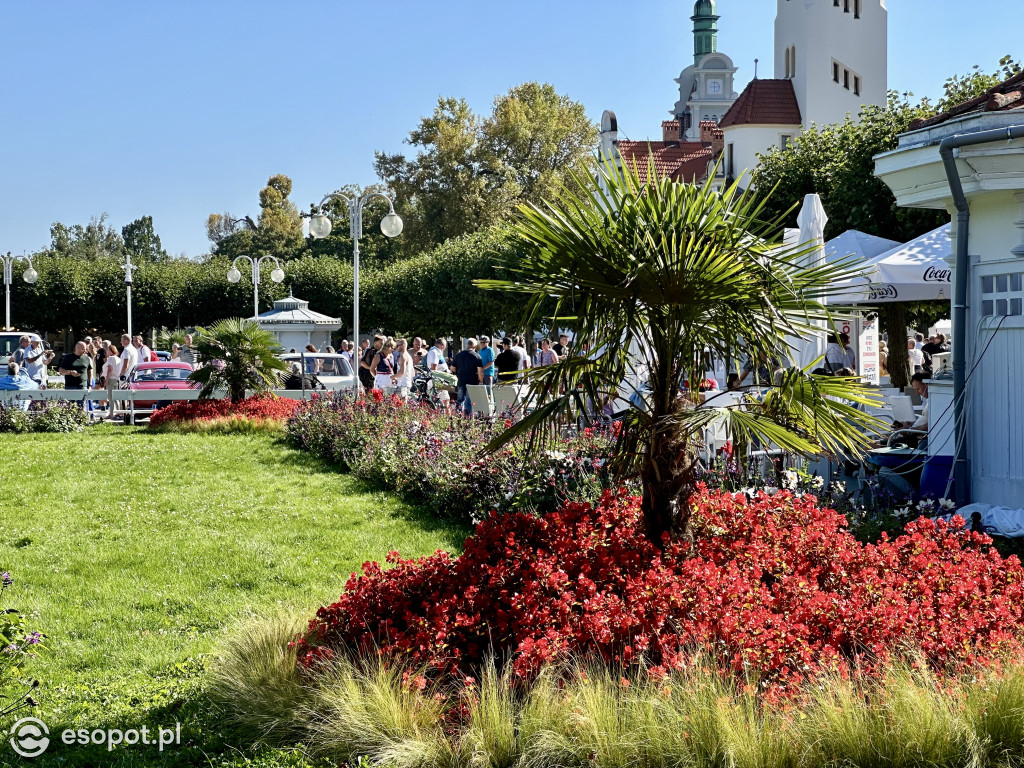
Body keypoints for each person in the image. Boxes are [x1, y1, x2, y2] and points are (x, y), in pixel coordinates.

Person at [453, 338, 484, 415]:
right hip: (472, 382)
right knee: (469, 402)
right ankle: (468, 418)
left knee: (460, 400)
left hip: (461, 381)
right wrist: (480, 380)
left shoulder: (458, 355)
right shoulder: (477, 356)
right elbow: (480, 371)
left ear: (467, 345)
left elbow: (452, 368)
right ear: (475, 346)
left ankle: (458, 416)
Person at [102, 344, 122, 418]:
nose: (106, 351)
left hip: (111, 378)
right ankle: (118, 412)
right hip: (116, 379)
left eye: (107, 350)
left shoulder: (110, 358)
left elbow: (110, 369)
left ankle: (111, 414)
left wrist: (106, 380)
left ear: (111, 351)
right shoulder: (118, 358)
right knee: (116, 397)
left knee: (110, 397)